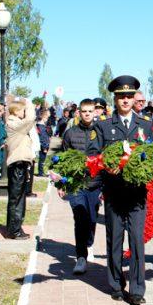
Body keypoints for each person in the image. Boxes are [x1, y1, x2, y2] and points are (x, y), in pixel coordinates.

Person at [87, 75, 153, 305]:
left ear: (135, 97)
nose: (125, 100)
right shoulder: (103, 126)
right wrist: (107, 167)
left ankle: (137, 290)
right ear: (114, 99)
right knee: (115, 239)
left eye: (129, 96)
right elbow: (94, 156)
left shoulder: (145, 124)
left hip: (137, 194)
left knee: (136, 240)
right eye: (120, 96)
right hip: (114, 192)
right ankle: (115, 283)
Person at [60, 99, 102, 275]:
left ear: (95, 112)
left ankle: (89, 243)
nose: (87, 114)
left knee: (92, 218)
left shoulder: (100, 133)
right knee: (80, 217)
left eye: (90, 111)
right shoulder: (70, 133)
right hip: (76, 184)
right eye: (84, 111)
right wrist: (62, 183)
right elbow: (63, 159)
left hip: (95, 183)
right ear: (79, 113)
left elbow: (106, 159)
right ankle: (81, 257)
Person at [4, 99, 36, 240]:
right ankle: (14, 230)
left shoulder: (16, 123)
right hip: (17, 165)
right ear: (17, 111)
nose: (24, 112)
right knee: (16, 199)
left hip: (20, 165)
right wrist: (29, 104)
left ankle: (15, 227)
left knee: (19, 198)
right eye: (22, 110)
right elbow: (30, 119)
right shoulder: (13, 123)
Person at [36, 108, 51, 176]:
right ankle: (40, 173)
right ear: (43, 117)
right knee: (42, 160)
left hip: (45, 145)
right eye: (46, 117)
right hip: (43, 146)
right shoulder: (40, 126)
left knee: (43, 160)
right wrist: (44, 147)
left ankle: (41, 172)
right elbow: (42, 138)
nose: (47, 119)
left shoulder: (42, 126)